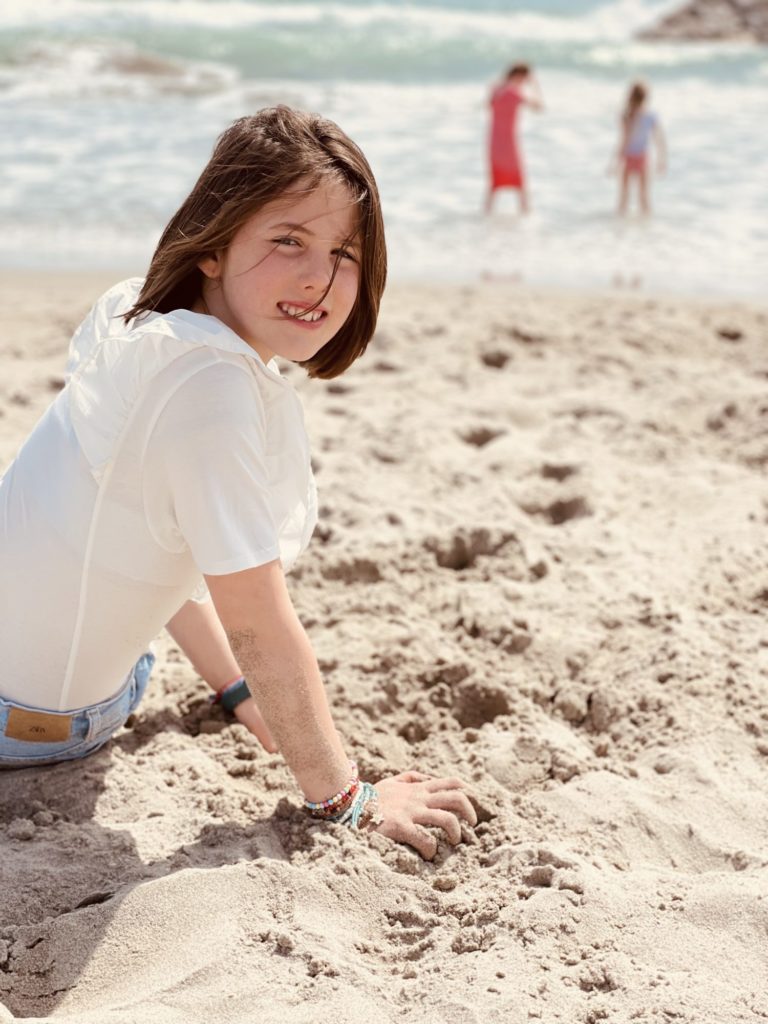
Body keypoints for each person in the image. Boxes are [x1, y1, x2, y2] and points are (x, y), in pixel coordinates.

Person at [0, 105, 476, 860]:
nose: (319, 278)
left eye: (345, 253)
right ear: (214, 247)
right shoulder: (207, 388)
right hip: (34, 726)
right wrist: (349, 801)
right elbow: (254, 617)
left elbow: (156, 550)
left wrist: (237, 693)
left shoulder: (150, 327)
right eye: (289, 240)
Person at [486, 63, 544, 215]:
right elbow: (539, 107)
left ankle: (487, 212)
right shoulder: (514, 93)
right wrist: (536, 86)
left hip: (494, 139)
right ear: (520, 75)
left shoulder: (496, 89)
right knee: (519, 180)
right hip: (509, 140)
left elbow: (488, 106)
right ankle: (526, 212)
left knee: (495, 181)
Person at [613, 80, 666, 216]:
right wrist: (662, 159)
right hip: (642, 157)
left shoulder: (626, 116)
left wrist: (616, 161)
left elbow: (624, 140)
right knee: (644, 197)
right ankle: (648, 229)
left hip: (628, 157)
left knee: (623, 197)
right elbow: (659, 140)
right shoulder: (651, 116)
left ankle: (618, 230)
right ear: (646, 97)